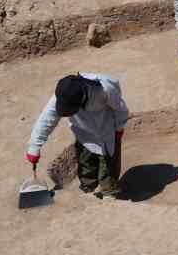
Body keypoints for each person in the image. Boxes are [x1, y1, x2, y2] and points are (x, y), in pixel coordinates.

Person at [26, 72, 130, 200]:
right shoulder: (64, 94)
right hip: (83, 133)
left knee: (108, 168)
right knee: (86, 164)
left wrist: (119, 129)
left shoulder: (105, 89)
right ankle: (88, 189)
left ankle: (109, 193)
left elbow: (120, 109)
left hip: (106, 132)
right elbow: (46, 119)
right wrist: (34, 147)